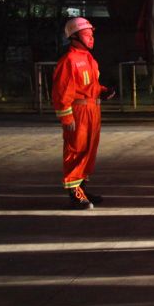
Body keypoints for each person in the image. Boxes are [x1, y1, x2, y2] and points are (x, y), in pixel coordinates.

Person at [52, 17, 114, 210]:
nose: (91, 38)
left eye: (92, 35)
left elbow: (89, 85)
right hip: (79, 112)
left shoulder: (89, 59)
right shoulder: (69, 61)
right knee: (76, 151)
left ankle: (83, 189)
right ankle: (74, 193)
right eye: (88, 35)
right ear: (74, 36)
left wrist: (102, 91)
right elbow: (61, 92)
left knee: (89, 152)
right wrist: (67, 117)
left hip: (92, 110)